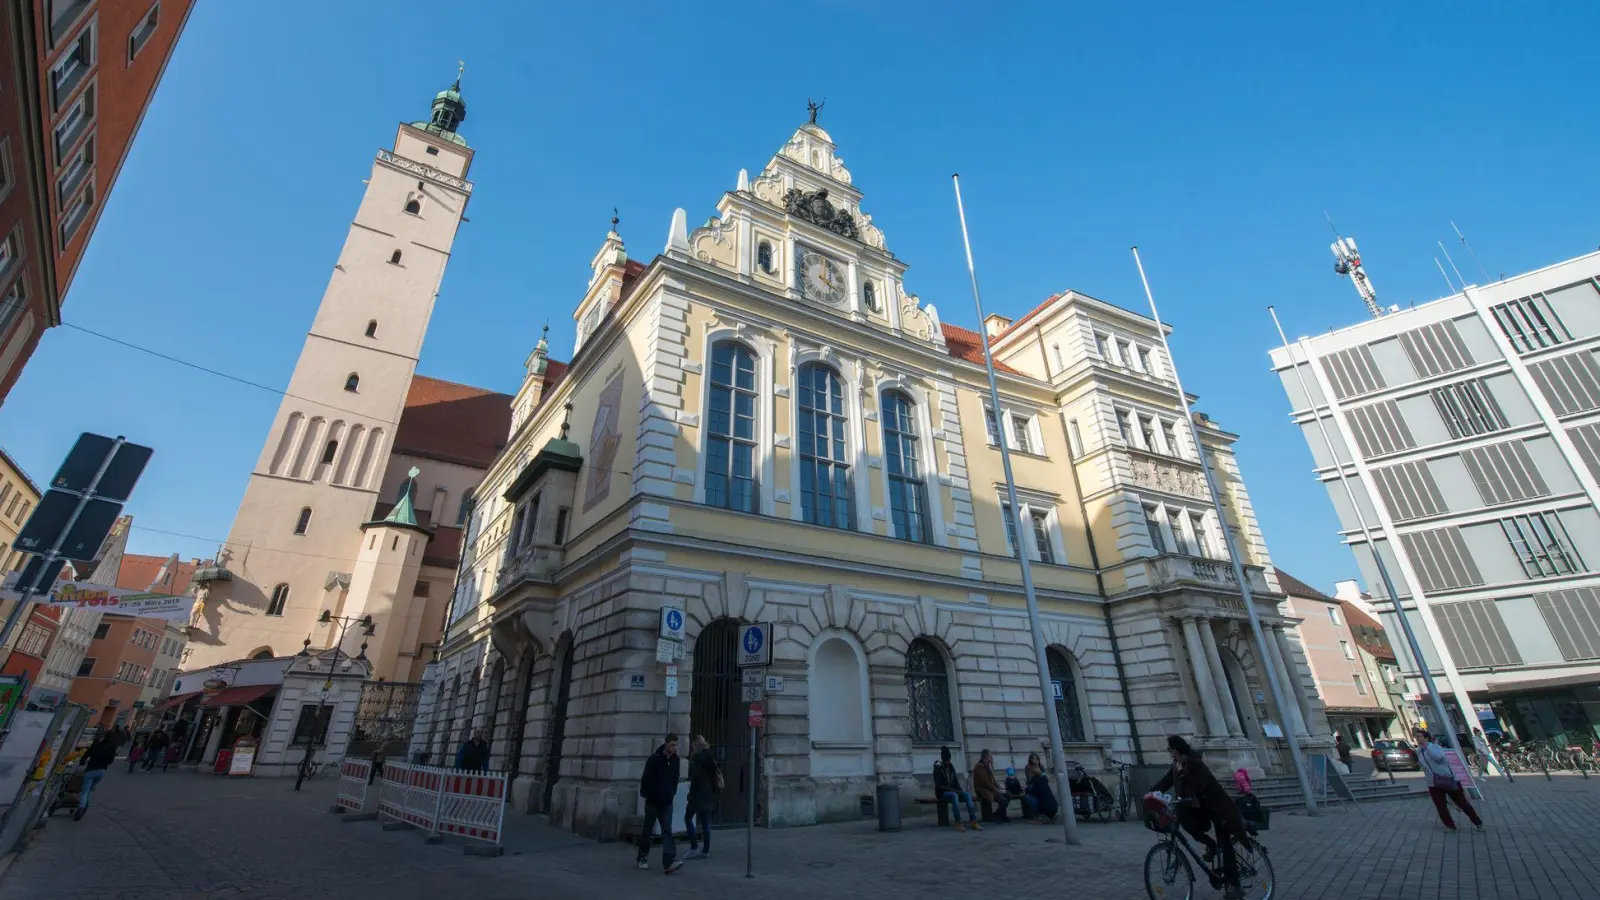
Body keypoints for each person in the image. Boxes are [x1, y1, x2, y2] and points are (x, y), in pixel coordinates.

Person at [1150, 735, 1249, 899]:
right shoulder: (1177, 765)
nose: (1170, 753)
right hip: (1199, 808)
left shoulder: (1195, 763)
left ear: (1177, 749)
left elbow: (1200, 786)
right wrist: (1151, 793)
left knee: (1226, 845)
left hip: (1218, 807)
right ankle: (1211, 845)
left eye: (1170, 749)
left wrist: (1184, 775)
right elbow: (1166, 781)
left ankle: (1235, 885)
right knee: (1186, 822)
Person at [636, 732, 684, 874]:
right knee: (648, 829)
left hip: (667, 801)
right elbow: (646, 779)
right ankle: (642, 857)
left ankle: (669, 861)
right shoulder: (655, 759)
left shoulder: (676, 760)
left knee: (667, 830)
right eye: (672, 745)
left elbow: (676, 777)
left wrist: (672, 793)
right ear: (666, 744)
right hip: (653, 801)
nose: (674, 748)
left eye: (676, 745)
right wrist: (650, 793)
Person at [1420, 731, 1483, 833]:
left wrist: (1427, 747)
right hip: (1434, 783)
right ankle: (1450, 826)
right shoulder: (1420, 751)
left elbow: (1439, 758)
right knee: (1441, 806)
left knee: (1462, 803)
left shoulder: (1435, 747)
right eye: (1416, 736)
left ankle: (1478, 822)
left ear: (1426, 738)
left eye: (1419, 736)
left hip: (1449, 779)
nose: (1417, 738)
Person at [683, 735, 719, 860]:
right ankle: (705, 850)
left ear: (696, 745)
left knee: (688, 818)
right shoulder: (709, 756)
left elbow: (695, 779)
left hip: (698, 794)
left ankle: (694, 847)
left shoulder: (697, 758)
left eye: (693, 745)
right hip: (708, 793)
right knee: (705, 822)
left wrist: (690, 794)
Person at [933, 746, 980, 831]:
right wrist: (953, 790)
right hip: (942, 793)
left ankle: (974, 821)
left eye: (949, 760)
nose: (948, 762)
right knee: (954, 795)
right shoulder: (937, 769)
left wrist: (960, 791)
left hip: (954, 790)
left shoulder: (951, 767)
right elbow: (939, 785)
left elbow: (956, 782)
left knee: (967, 795)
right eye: (946, 760)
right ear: (943, 760)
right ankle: (958, 822)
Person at [74, 733, 118, 821]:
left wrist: (83, 761)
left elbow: (86, 755)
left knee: (85, 791)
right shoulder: (112, 748)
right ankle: (86, 806)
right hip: (101, 771)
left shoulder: (96, 745)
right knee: (91, 789)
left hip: (91, 769)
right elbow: (110, 761)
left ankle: (81, 808)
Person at [972, 749, 1007, 822]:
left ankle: (997, 814)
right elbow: (985, 783)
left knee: (1008, 795)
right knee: (1002, 799)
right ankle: (1002, 816)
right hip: (983, 790)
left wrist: (998, 786)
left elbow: (992, 780)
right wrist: (996, 790)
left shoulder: (988, 765)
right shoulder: (980, 767)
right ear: (986, 757)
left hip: (990, 789)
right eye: (990, 756)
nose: (992, 758)